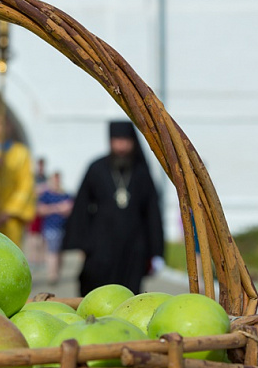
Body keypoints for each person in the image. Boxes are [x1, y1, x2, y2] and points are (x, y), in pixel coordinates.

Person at [62, 120, 165, 296]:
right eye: (117, 141)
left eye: (125, 141)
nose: (121, 146)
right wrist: (82, 244)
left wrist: (156, 251)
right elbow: (81, 206)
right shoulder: (96, 168)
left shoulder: (141, 172)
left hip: (133, 246)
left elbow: (152, 212)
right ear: (110, 141)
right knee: (95, 289)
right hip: (101, 244)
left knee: (129, 294)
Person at [0, 114, 35, 248]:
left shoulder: (21, 153)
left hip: (11, 218)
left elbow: (26, 186)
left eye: (4, 123)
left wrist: (9, 211)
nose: (0, 128)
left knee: (10, 252)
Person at [37, 171, 74, 285]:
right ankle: (52, 275)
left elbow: (70, 208)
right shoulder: (46, 195)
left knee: (60, 252)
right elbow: (40, 210)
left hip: (63, 227)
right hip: (50, 227)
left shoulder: (65, 194)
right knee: (52, 251)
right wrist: (58, 208)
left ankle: (56, 272)